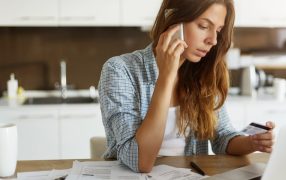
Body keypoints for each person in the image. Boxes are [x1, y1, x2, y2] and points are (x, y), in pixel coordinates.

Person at [98, 0, 274, 173]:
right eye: (204, 26)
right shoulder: (120, 70)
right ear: (174, 20)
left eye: (218, 30)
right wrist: (166, 75)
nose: (213, 40)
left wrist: (252, 142)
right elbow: (140, 161)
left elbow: (222, 137)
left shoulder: (203, 74)